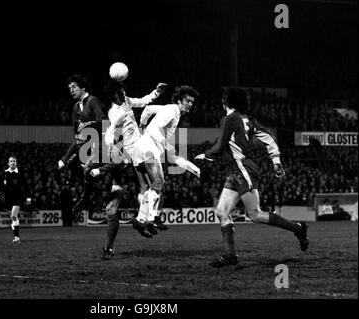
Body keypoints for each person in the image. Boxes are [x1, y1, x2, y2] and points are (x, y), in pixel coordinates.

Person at [194, 87, 309, 268]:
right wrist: (276, 161)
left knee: (254, 214)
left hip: (242, 168)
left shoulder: (229, 119)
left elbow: (219, 146)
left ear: (226, 102)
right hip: (235, 170)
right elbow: (269, 137)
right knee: (222, 212)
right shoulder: (248, 120)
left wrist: (205, 156)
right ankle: (230, 256)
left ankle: (298, 228)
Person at [87, 79, 167, 259]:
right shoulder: (113, 113)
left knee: (150, 185)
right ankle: (111, 245)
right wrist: (112, 147)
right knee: (113, 207)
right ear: (113, 95)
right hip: (126, 157)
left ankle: (144, 220)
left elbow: (143, 100)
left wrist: (157, 92)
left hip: (137, 151)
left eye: (123, 91)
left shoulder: (128, 101)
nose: (123, 94)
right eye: (120, 92)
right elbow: (109, 134)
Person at [131, 85, 201, 236]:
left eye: (192, 102)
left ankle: (140, 219)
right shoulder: (171, 111)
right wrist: (167, 146)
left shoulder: (169, 109)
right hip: (149, 147)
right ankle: (152, 218)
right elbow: (155, 129)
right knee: (158, 182)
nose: (190, 104)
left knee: (148, 187)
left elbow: (148, 110)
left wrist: (142, 124)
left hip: (141, 147)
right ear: (179, 100)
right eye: (187, 101)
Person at [57, 74, 105, 171]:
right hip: (86, 146)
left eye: (74, 87)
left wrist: (88, 124)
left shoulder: (93, 100)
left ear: (83, 88)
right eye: (69, 88)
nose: (71, 90)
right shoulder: (76, 107)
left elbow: (104, 122)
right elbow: (77, 132)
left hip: (100, 143)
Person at [0, 156, 31, 244]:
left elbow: (26, 188)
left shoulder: (20, 174)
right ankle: (16, 236)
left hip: (18, 198)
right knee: (13, 217)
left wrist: (29, 199)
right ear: (8, 163)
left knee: (14, 215)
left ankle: (17, 237)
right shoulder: (4, 174)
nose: (13, 162)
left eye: (14, 161)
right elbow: (0, 186)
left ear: (16, 163)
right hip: (8, 199)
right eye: (11, 161)